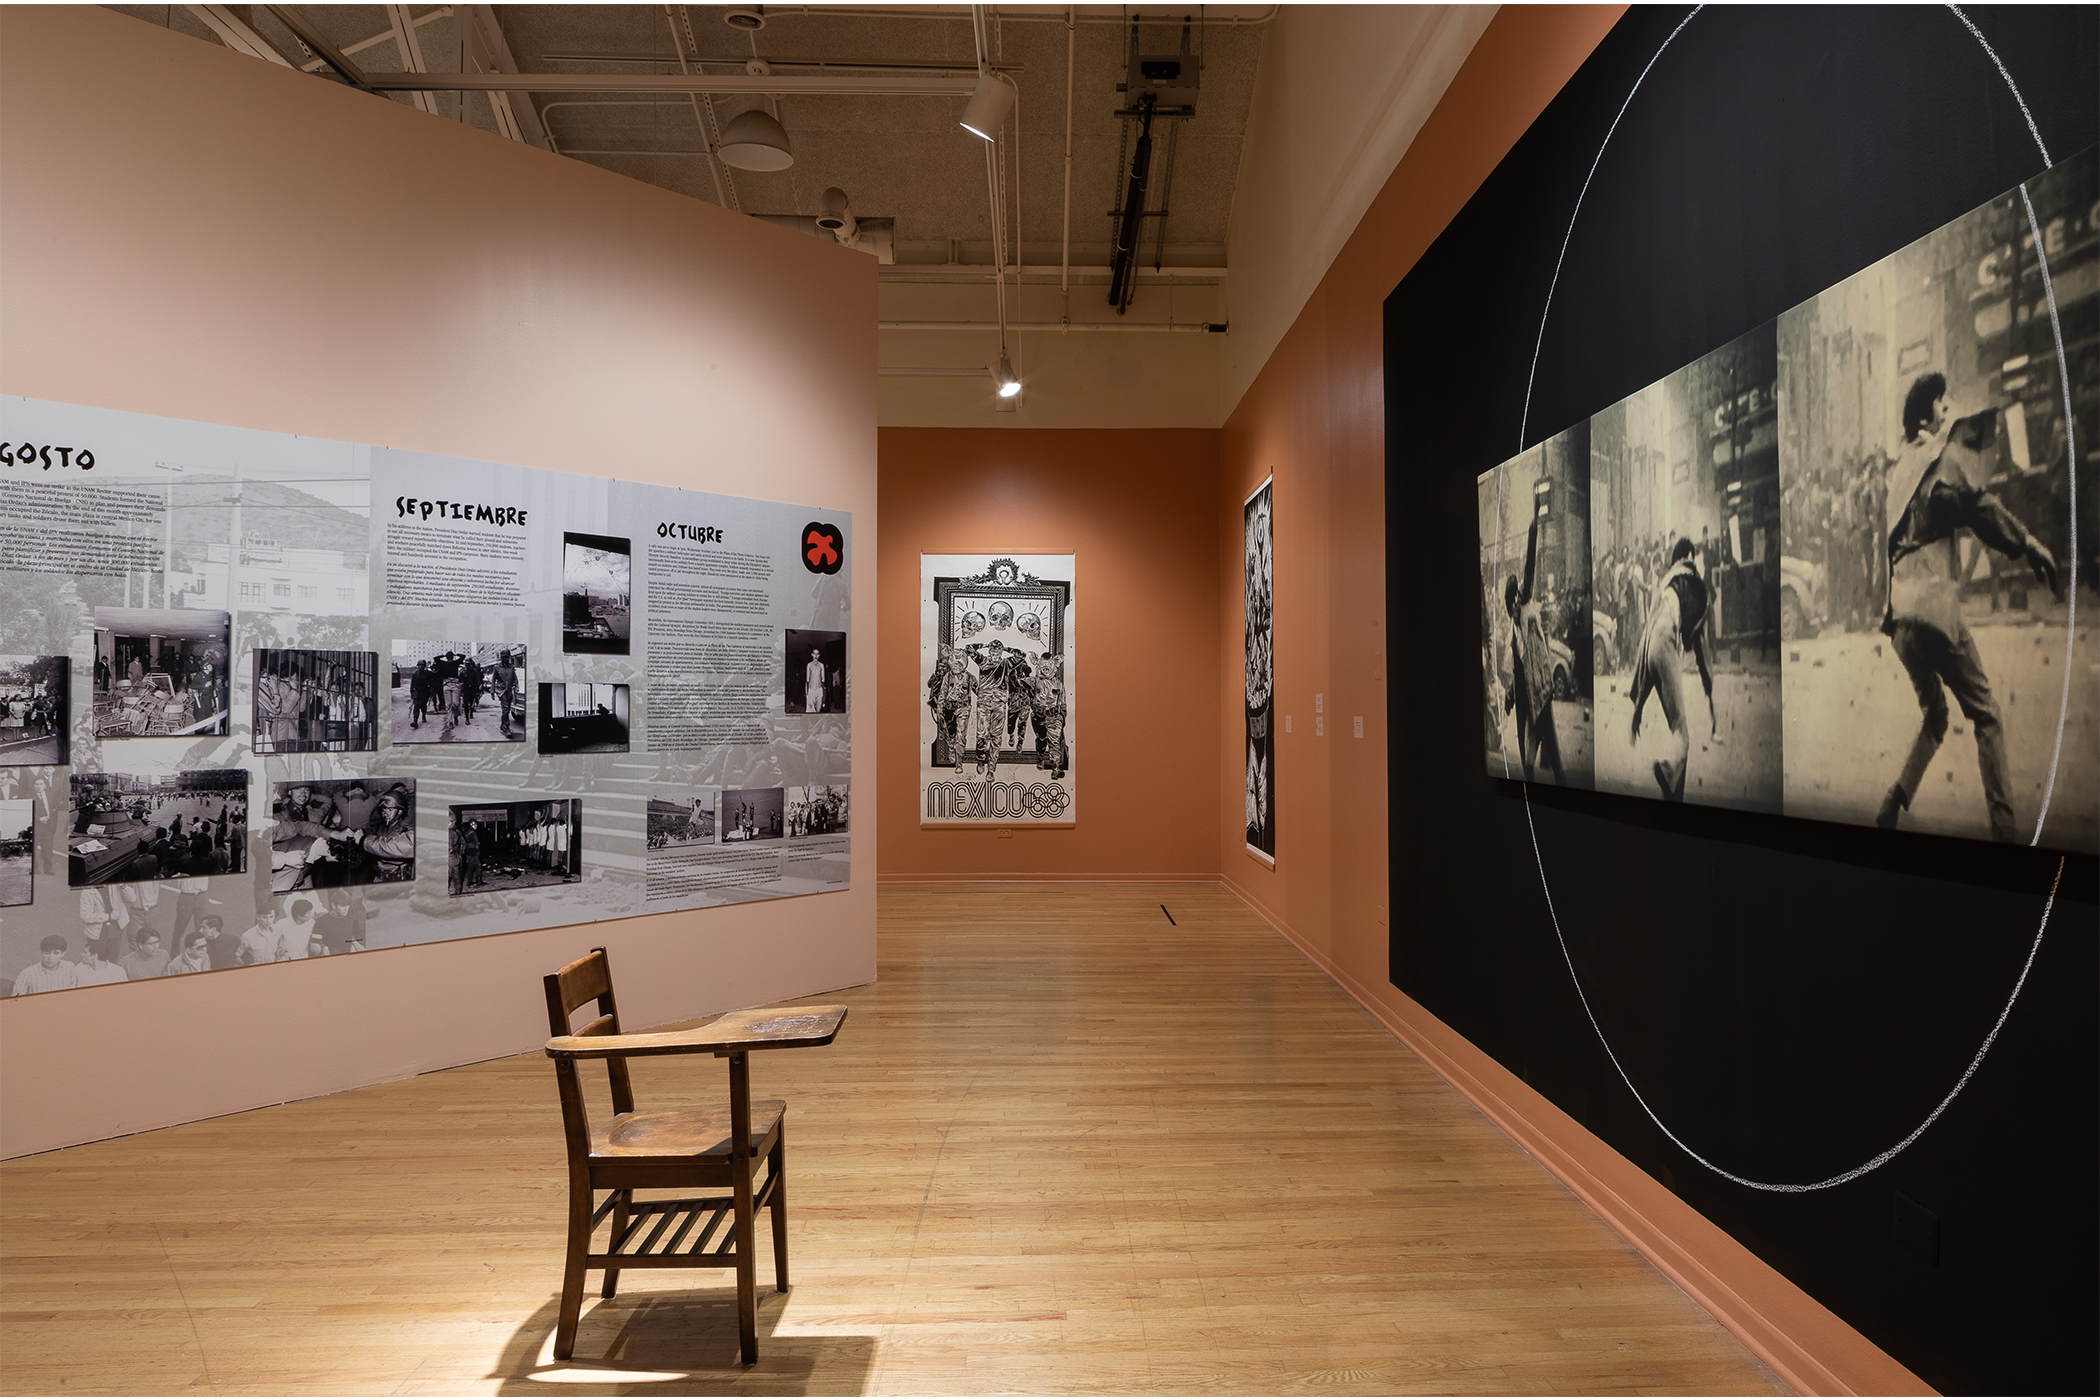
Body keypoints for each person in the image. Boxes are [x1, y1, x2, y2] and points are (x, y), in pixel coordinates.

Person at [1875, 373, 2058, 840]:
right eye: (1941, 405)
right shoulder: (1938, 464)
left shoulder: (1899, 472)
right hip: (1934, 610)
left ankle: (1895, 797)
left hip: (1900, 621)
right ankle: (2005, 833)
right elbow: (1979, 508)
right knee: (1988, 714)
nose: (1947, 410)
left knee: (1936, 716)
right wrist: (2028, 543)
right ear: (1924, 417)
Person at [1628, 536, 1719, 801]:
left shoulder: (1665, 584)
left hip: (1651, 648)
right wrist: (1710, 694)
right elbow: (1698, 649)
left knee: (1677, 729)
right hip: (1666, 640)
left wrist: (1638, 710)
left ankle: (1674, 795)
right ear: (1688, 557)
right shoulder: (1691, 580)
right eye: (1691, 556)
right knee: (1683, 735)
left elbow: (1648, 649)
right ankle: (1667, 771)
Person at [1500, 515, 1566, 785]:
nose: (1514, 605)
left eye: (1515, 599)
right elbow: (1517, 670)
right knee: (1527, 757)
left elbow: (1529, 565)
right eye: (1510, 602)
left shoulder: (1526, 606)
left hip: (1541, 690)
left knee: (1552, 751)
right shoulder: (1513, 635)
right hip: (1529, 695)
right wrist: (1510, 695)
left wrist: (1533, 527)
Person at [13, 935, 78, 995]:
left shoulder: (70, 968)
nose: (50, 958)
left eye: (56, 953)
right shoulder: (27, 973)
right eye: (47, 953)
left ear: (63, 954)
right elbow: (15, 1000)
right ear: (41, 952)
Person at [804, 647, 828, 714]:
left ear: (819, 655)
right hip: (811, 690)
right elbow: (807, 681)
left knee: (818, 710)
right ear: (812, 655)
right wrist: (807, 694)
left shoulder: (821, 665)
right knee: (811, 711)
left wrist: (824, 696)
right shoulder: (809, 665)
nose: (816, 656)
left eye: (817, 654)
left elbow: (823, 681)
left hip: (819, 690)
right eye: (814, 654)